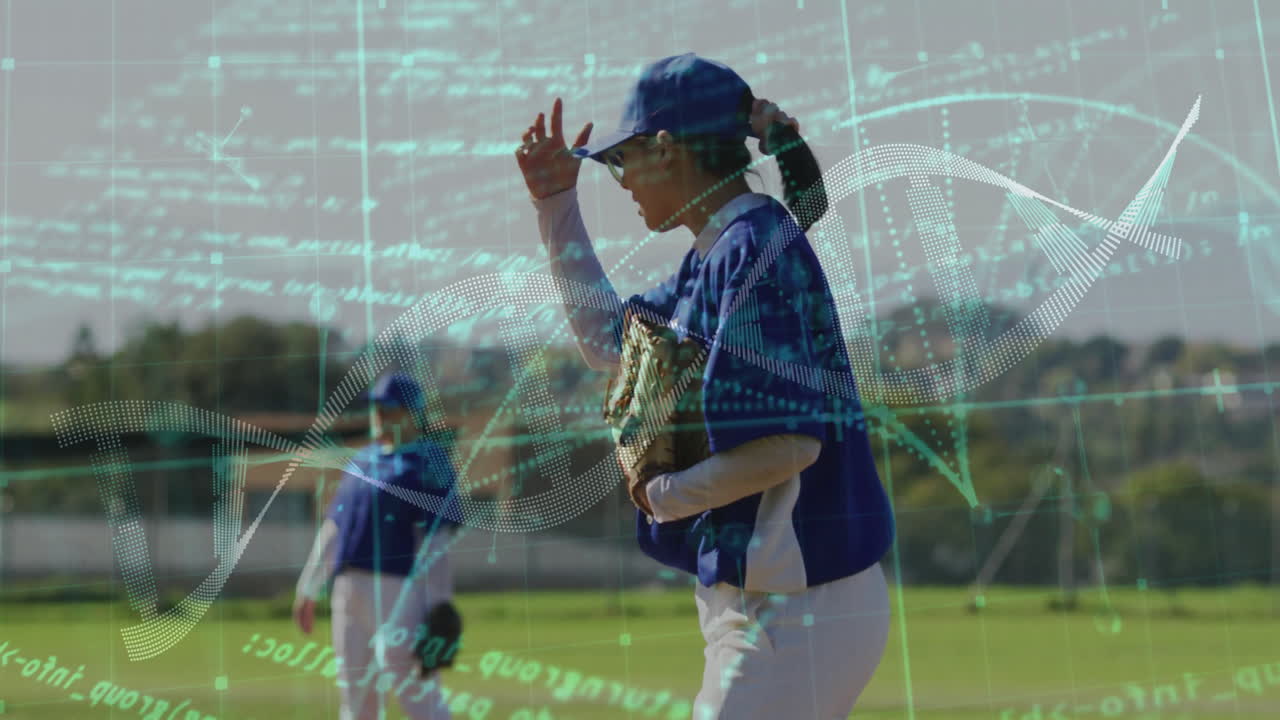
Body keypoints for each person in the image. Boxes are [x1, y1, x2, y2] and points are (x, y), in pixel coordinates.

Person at [514, 53, 895, 719]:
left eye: (621, 158)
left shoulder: (752, 248)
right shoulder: (716, 255)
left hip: (799, 603)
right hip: (773, 601)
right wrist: (556, 204)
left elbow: (791, 442)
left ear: (667, 149)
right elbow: (611, 343)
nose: (621, 178)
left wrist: (665, 496)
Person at [293, 372, 461, 720]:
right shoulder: (362, 460)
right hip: (348, 589)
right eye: (376, 408)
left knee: (415, 688)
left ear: (413, 413)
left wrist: (440, 605)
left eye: (389, 408)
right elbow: (334, 529)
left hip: (398, 589)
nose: (379, 415)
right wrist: (308, 586)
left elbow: (435, 540)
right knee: (355, 695)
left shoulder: (428, 462)